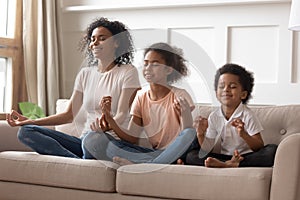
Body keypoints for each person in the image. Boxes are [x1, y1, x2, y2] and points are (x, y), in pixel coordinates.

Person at [6, 17, 141, 159]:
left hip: (109, 142)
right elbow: (68, 115)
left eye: (102, 38)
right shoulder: (85, 74)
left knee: (93, 138)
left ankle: (82, 163)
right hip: (84, 142)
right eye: (93, 39)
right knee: (26, 131)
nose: (95, 43)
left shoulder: (128, 72)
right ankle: (80, 163)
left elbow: (121, 114)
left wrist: (106, 125)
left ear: (116, 42)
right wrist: (31, 121)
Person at [82, 42, 197, 165]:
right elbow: (131, 138)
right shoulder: (140, 97)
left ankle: (148, 165)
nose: (148, 68)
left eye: (155, 64)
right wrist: (110, 119)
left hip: (177, 152)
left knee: (190, 133)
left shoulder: (180, 95)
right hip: (156, 153)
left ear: (168, 70)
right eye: (146, 64)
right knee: (94, 139)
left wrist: (184, 114)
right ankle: (157, 164)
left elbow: (186, 135)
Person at [185, 63, 277, 167]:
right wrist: (200, 134)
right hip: (224, 156)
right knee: (191, 156)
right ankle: (228, 163)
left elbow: (259, 146)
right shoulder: (214, 116)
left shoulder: (247, 115)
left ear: (243, 94)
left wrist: (243, 134)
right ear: (216, 93)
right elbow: (207, 149)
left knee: (272, 150)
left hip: (245, 156)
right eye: (221, 86)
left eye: (232, 86)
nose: (226, 89)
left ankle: (230, 164)